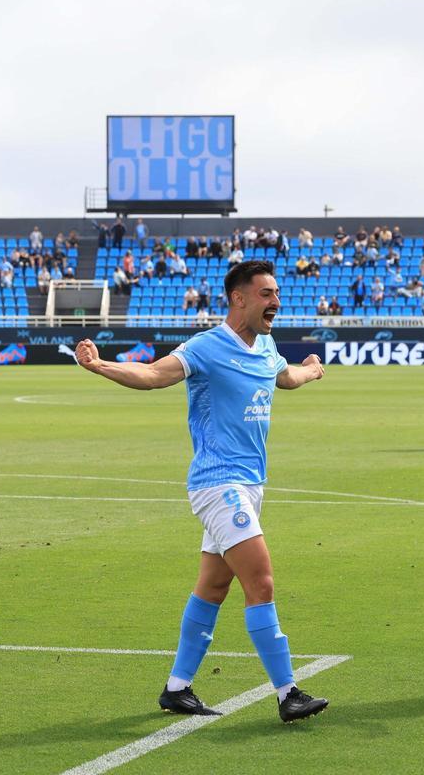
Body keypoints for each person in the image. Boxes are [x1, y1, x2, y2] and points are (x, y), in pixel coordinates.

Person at [74, 260, 331, 723]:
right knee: (261, 581)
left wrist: (311, 370)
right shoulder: (207, 347)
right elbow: (154, 374)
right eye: (267, 294)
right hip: (218, 483)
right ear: (239, 298)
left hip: (250, 485)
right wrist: (99, 365)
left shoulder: (266, 345)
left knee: (213, 586)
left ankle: (177, 688)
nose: (276, 301)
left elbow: (286, 377)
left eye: (276, 293)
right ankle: (287, 692)